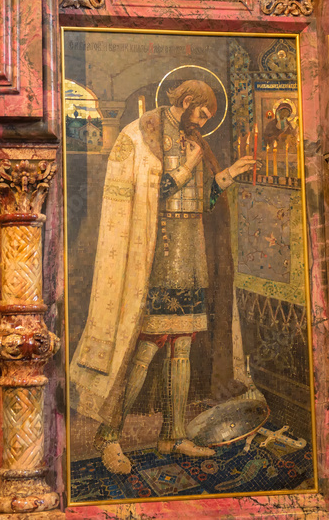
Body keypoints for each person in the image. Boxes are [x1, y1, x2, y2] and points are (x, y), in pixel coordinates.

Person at [69, 79, 255, 475]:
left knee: (183, 344)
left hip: (191, 254)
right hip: (155, 252)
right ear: (187, 102)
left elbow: (202, 200)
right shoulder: (142, 136)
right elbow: (152, 196)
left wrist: (228, 176)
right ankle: (109, 435)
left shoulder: (195, 140)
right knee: (148, 344)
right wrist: (188, 167)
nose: (203, 122)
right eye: (201, 113)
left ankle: (173, 434)